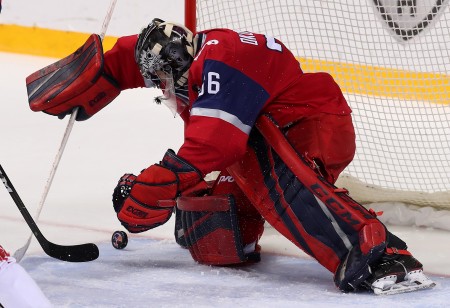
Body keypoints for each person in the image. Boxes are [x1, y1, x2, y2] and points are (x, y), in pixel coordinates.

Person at [25, 18, 434, 294]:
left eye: (167, 86)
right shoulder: (193, 53)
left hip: (311, 129)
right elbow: (145, 55)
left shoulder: (223, 59)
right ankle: (253, 221)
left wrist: (160, 181)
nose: (170, 94)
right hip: (276, 129)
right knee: (210, 227)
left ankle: (381, 254)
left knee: (260, 163)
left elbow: (216, 142)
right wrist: (108, 72)